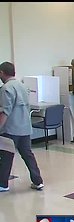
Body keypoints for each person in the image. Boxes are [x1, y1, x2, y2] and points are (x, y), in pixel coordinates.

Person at [0, 61, 45, 191]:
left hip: (10, 129)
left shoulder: (6, 88)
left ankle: (3, 184)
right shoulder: (23, 86)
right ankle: (38, 181)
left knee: (6, 156)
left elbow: (5, 111)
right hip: (25, 128)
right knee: (28, 155)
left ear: (2, 73)